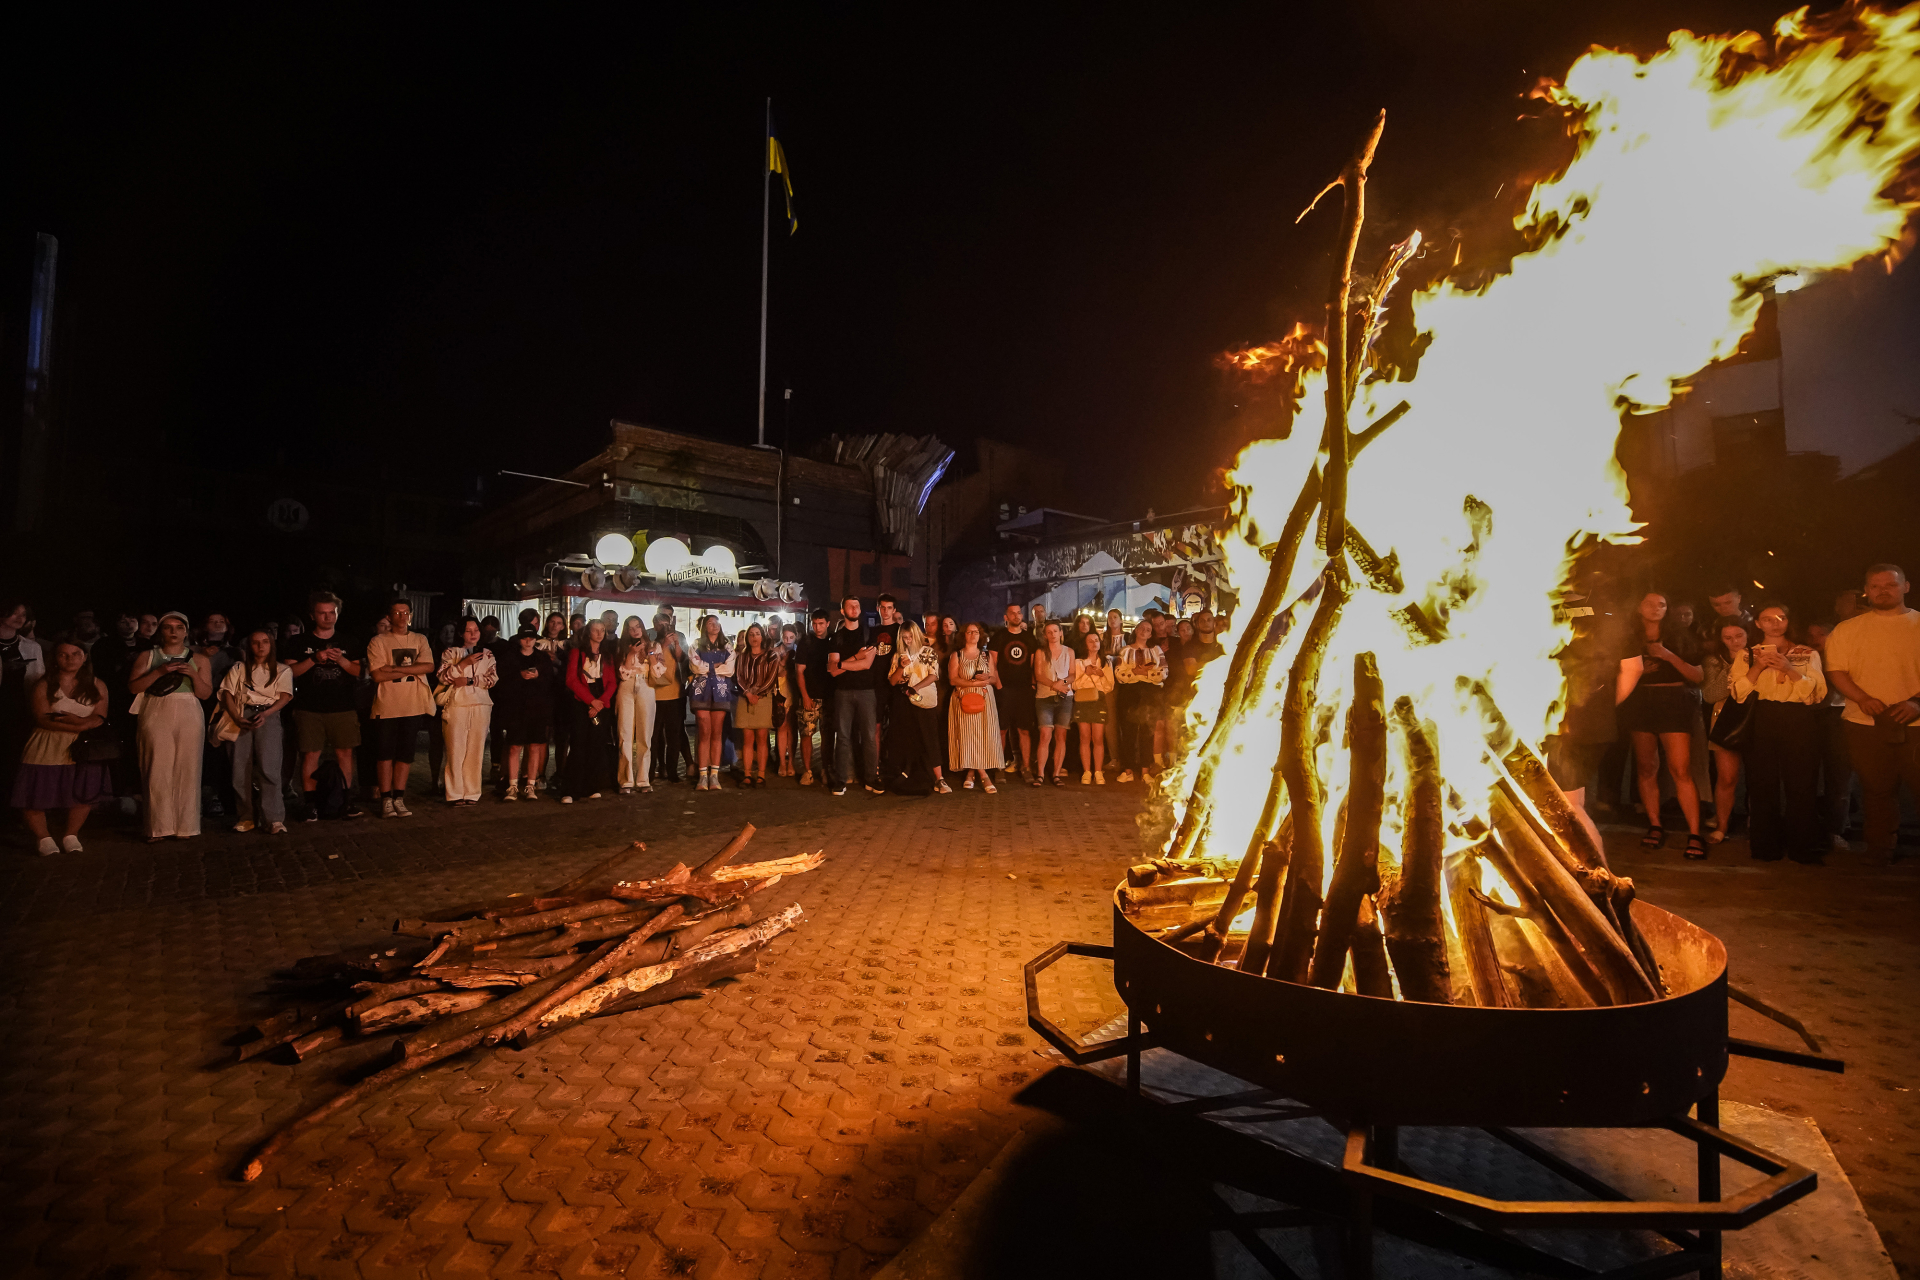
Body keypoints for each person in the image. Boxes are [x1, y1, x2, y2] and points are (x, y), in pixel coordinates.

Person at [1825, 564, 1920, 862]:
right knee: (1876, 789)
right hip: (1864, 723)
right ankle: (1880, 848)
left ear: (1905, 587)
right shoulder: (1849, 629)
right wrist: (1862, 698)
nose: (1882, 591)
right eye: (1875, 586)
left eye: (1890, 585)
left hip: (1916, 723)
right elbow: (1837, 671)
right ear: (1867, 590)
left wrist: (1917, 702)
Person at [1731, 603, 1826, 863]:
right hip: (1761, 718)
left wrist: (1788, 668)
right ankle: (1764, 847)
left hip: (1798, 719)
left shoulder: (1806, 653)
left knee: (1802, 784)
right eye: (1768, 619)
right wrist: (1758, 667)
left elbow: (1815, 694)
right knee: (1762, 785)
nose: (1776, 623)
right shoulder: (1746, 655)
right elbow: (1737, 693)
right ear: (1758, 624)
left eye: (1781, 617)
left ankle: (1803, 847)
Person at [1616, 591, 1707, 857]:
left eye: (1662, 604)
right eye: (1649, 603)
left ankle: (1694, 833)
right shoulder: (1629, 638)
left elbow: (1698, 675)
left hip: (1674, 700)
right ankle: (1655, 825)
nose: (1656, 608)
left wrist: (1667, 655)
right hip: (1641, 701)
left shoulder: (1681, 636)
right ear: (1638, 607)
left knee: (1680, 768)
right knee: (1646, 767)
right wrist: (1639, 670)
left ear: (1667, 609)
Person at [12, 638, 111, 855]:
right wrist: (77, 726)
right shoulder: (44, 684)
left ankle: (71, 834)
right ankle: (44, 838)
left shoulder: (96, 684)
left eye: (76, 654)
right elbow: (42, 718)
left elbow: (101, 716)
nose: (70, 659)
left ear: (84, 657)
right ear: (55, 658)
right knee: (35, 792)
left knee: (82, 791)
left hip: (83, 747)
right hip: (46, 744)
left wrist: (80, 723)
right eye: (63, 654)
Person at [281, 592, 365, 821]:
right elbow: (290, 674)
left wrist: (341, 660)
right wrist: (315, 659)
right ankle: (310, 803)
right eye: (322, 613)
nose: (328, 617)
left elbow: (359, 672)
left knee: (345, 753)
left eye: (332, 612)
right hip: (309, 709)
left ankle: (345, 800)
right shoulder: (299, 642)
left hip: (343, 708)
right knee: (310, 755)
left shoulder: (349, 642)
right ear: (312, 615)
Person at [129, 612, 211, 841]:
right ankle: (158, 827)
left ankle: (187, 825)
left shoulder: (200, 658)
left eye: (178, 627)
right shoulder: (148, 656)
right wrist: (159, 672)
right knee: (157, 766)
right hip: (156, 709)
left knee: (189, 766)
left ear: (186, 631)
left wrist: (193, 674)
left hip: (189, 710)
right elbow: (133, 687)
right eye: (168, 627)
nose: (173, 632)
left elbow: (205, 693)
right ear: (161, 631)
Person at [365, 599, 437, 818]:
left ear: (411, 615)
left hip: (413, 704)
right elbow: (377, 674)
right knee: (385, 752)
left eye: (405, 612)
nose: (401, 616)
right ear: (389, 616)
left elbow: (429, 666)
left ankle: (399, 797)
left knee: (406, 754)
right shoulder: (378, 641)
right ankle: (386, 799)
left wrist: (394, 668)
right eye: (396, 612)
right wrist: (411, 670)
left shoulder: (420, 639)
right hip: (387, 704)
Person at [219, 628, 294, 833]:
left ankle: (274, 818)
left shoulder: (282, 669)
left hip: (268, 716)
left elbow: (285, 696)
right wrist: (237, 717)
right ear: (248, 646)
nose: (260, 646)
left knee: (269, 767)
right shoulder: (239, 668)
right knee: (239, 768)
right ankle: (246, 817)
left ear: (271, 645)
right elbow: (227, 693)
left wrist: (267, 714)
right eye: (255, 642)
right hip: (242, 713)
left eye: (265, 642)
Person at [1700, 620, 1754, 846]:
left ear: (1748, 634)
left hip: (1756, 717)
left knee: (1758, 777)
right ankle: (1722, 825)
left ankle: (1758, 822)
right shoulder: (1714, 661)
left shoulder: (1761, 656)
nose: (1734, 642)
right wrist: (1735, 667)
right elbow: (1711, 694)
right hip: (1725, 718)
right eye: (1728, 638)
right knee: (1727, 777)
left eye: (1739, 636)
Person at [1805, 619, 1856, 852]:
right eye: (1811, 635)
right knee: (1806, 777)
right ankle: (1808, 828)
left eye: (1822, 634)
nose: (1816, 639)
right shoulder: (1804, 658)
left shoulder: (1848, 655)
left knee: (1839, 778)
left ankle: (1835, 830)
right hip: (1810, 717)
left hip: (1839, 716)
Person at [437, 616, 497, 805]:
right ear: (461, 633)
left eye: (476, 630)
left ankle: (472, 792)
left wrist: (471, 681)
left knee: (476, 750)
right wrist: (463, 664)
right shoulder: (450, 652)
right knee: (456, 749)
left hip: (480, 705)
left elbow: (492, 679)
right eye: (469, 631)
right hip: (457, 705)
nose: (473, 634)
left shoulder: (488, 654)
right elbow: (443, 677)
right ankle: (454, 793)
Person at [558, 619, 619, 801]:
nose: (599, 634)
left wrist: (600, 702)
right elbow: (571, 680)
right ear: (588, 632)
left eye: (602, 630)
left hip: (601, 699)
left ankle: (591, 786)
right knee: (578, 744)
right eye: (595, 630)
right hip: (581, 700)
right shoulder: (577, 653)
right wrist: (591, 701)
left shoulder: (607, 655)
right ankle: (570, 790)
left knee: (596, 745)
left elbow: (612, 682)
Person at [827, 595, 883, 796]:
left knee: (869, 737)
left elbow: (866, 664)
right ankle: (841, 780)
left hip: (867, 691)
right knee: (842, 737)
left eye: (857, 606)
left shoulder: (869, 634)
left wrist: (843, 663)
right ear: (843, 611)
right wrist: (855, 658)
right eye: (850, 606)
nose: (854, 609)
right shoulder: (836, 637)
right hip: (842, 692)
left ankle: (870, 778)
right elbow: (832, 671)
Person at [887, 618, 948, 793]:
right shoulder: (899, 656)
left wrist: (915, 687)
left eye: (911, 637)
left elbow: (934, 675)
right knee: (907, 738)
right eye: (905, 637)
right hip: (903, 702)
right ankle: (907, 773)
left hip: (923, 699)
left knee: (930, 737)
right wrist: (900, 667)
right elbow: (892, 681)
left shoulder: (928, 652)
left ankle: (939, 778)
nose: (908, 641)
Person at [496, 629, 556, 800]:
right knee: (515, 746)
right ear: (519, 639)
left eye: (531, 638)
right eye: (525, 638)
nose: (528, 641)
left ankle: (531, 784)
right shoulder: (510, 657)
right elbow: (502, 680)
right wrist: (519, 676)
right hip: (516, 708)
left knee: (535, 746)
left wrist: (538, 675)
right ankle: (512, 785)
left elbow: (550, 680)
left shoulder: (542, 658)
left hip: (537, 707)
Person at [0, 600, 48, 804]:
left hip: (19, 710)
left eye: (23, 615)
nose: (20, 618)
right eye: (14, 613)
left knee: (15, 758)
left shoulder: (32, 647)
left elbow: (39, 679)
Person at [947, 622, 1004, 791]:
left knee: (982, 737)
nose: (973, 635)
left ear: (981, 635)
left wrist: (986, 679)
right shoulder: (956, 655)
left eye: (976, 632)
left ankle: (971, 773)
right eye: (969, 632)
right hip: (963, 700)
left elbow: (994, 678)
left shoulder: (987, 656)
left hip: (984, 699)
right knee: (968, 737)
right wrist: (972, 683)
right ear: (963, 635)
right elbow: (953, 679)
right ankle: (984, 776)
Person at [686, 616, 736, 791]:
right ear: (704, 627)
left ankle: (714, 775)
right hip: (701, 691)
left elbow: (729, 669)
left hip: (721, 692)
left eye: (716, 623)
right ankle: (702, 775)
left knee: (717, 732)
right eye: (710, 623)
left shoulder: (727, 646)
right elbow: (695, 666)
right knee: (704, 731)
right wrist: (716, 666)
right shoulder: (696, 644)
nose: (714, 626)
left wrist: (708, 666)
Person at [988, 604, 1037, 780]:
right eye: (1012, 613)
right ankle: (999, 767)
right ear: (1006, 617)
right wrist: (999, 686)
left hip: (1024, 691)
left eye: (1019, 613)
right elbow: (992, 664)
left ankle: (1026, 767)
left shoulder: (1029, 638)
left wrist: (1031, 685)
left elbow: (1033, 664)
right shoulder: (998, 637)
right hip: (1004, 690)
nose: (1016, 616)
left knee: (1024, 730)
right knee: (1002, 730)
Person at [1115, 619, 1168, 780]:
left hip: (1150, 694)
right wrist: (1136, 673)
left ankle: (1145, 769)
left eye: (1148, 629)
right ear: (1136, 630)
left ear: (1151, 634)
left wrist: (1143, 673)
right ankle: (1128, 769)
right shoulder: (1125, 651)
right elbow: (1119, 673)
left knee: (1147, 732)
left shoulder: (1156, 650)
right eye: (1142, 628)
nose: (1144, 631)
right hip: (1129, 693)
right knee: (1129, 731)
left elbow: (1163, 673)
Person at [734, 623, 780, 787]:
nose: (754, 637)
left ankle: (761, 774)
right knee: (747, 739)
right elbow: (738, 677)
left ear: (763, 636)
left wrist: (758, 694)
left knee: (762, 738)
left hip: (763, 699)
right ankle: (747, 774)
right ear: (747, 637)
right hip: (745, 698)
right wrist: (748, 693)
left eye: (757, 633)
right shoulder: (742, 656)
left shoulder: (771, 656)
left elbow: (771, 677)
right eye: (751, 634)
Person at [614, 617, 657, 795]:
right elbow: (622, 674)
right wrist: (631, 654)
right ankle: (625, 780)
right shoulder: (621, 647)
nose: (635, 631)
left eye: (638, 626)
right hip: (626, 687)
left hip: (646, 686)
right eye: (631, 628)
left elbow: (658, 671)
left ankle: (643, 779)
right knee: (624, 733)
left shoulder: (653, 645)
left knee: (645, 734)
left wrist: (651, 655)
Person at [648, 607, 691, 785]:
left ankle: (673, 771)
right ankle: (651, 771)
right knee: (654, 735)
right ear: (655, 625)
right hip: (654, 694)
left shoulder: (679, 636)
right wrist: (664, 645)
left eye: (667, 623)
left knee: (674, 735)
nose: (664, 627)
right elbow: (649, 656)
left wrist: (677, 645)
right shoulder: (650, 638)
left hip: (675, 693)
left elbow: (683, 660)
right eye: (660, 624)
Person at [1032, 620, 1075, 786]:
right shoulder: (1041, 652)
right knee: (1045, 734)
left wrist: (1062, 683)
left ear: (1060, 633)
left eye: (1055, 631)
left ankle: (1056, 773)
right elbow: (1038, 675)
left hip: (1065, 697)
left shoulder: (1069, 651)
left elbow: (1072, 674)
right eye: (1049, 632)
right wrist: (1053, 685)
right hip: (1044, 697)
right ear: (1045, 635)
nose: (1052, 634)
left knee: (1061, 735)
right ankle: (1041, 774)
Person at [794, 609, 834, 786]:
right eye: (814, 623)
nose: (817, 627)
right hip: (809, 696)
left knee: (827, 735)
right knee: (807, 734)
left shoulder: (833, 641)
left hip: (829, 697)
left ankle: (826, 769)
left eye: (821, 623)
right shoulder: (806, 641)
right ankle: (808, 770)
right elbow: (799, 671)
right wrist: (805, 695)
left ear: (827, 623)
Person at [1071, 631, 1114, 784]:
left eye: (1096, 640)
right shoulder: (1078, 663)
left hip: (1099, 700)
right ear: (1085, 644)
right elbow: (1074, 685)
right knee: (1084, 737)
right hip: (1083, 700)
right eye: (1090, 641)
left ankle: (1098, 771)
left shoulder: (1106, 662)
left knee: (1098, 738)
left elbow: (1110, 686)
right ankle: (1087, 772)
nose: (1094, 643)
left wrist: (1101, 674)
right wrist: (1085, 673)